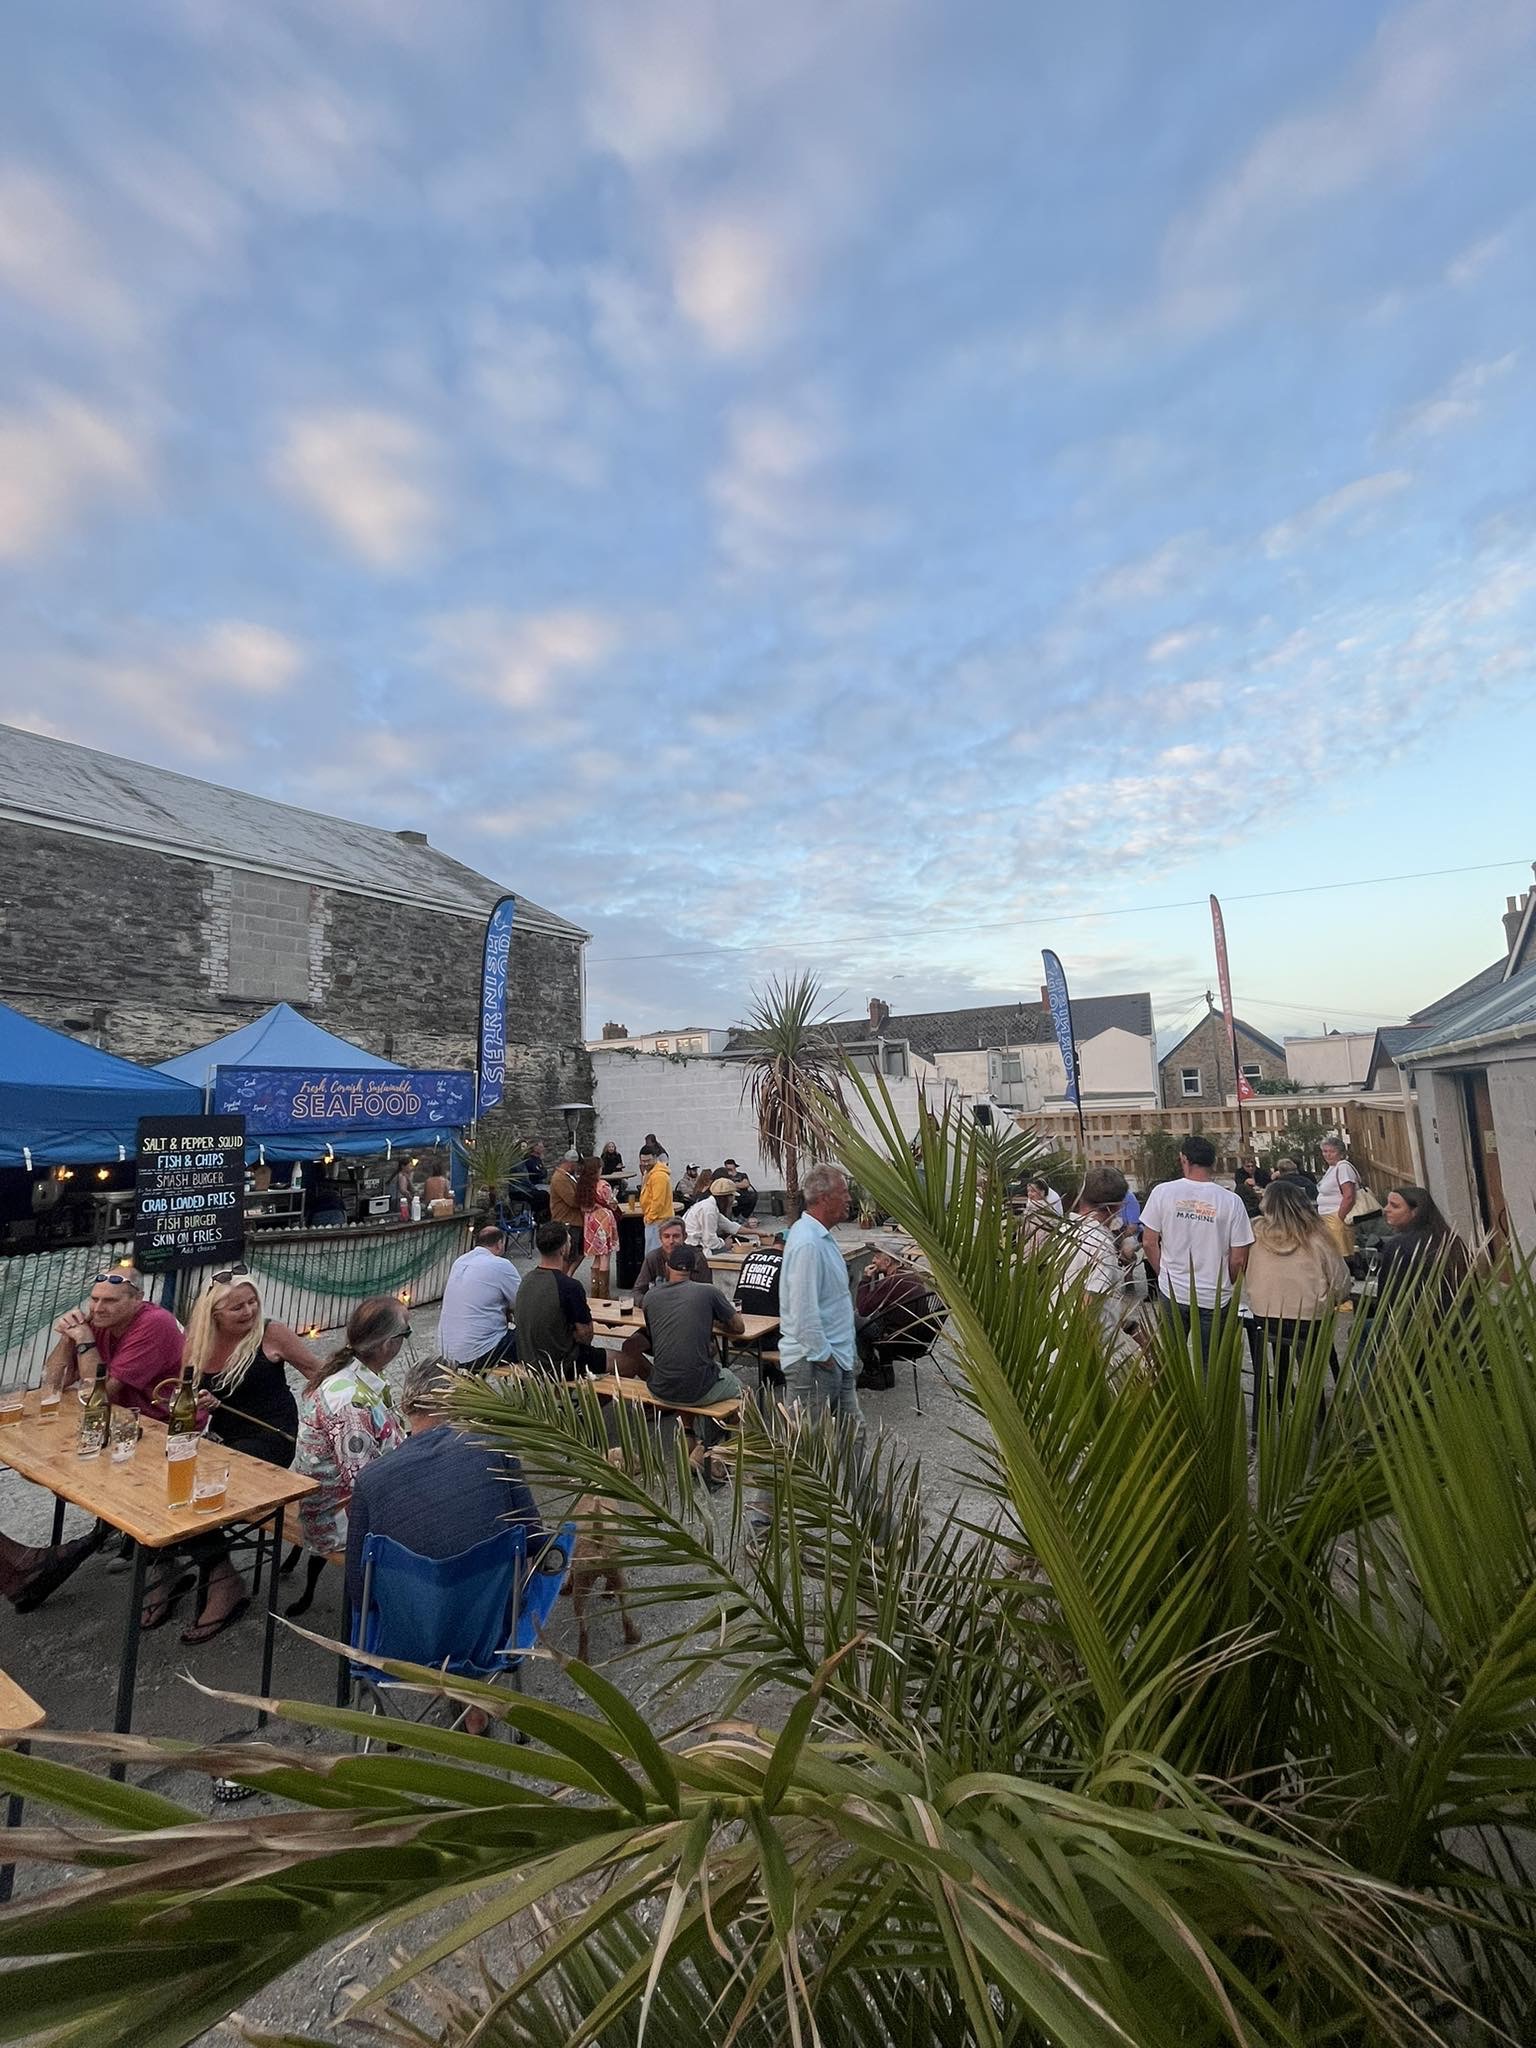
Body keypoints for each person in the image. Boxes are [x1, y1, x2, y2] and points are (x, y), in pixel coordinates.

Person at [159, 1270, 326, 1644]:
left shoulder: (271, 1333)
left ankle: (223, 1583)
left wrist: (321, 1426)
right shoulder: (197, 1342)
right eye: (237, 1307)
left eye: (252, 1302)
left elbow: (318, 1375)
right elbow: (184, 1398)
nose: (249, 1311)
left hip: (273, 1437)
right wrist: (196, 1402)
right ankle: (171, 1568)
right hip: (223, 1439)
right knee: (165, 1482)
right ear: (214, 1312)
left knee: (197, 1490)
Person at [344, 1356, 544, 1618]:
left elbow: (359, 1591)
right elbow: (534, 1538)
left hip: (412, 1629)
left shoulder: (371, 1479)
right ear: (461, 1401)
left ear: (405, 1407)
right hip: (495, 1622)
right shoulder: (495, 1446)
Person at [288, 1297, 410, 1609]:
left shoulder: (359, 1374)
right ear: (387, 1344)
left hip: (348, 1500)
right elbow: (364, 1484)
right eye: (405, 1334)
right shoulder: (350, 1402)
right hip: (336, 1518)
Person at [1243, 1179, 1351, 1439]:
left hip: (1266, 1316)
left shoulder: (1254, 1234)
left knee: (1280, 1354)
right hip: (1309, 1319)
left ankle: (1279, 1407)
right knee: (1310, 1353)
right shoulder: (1317, 1236)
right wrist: (1332, 1300)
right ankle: (1316, 1416)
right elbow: (1341, 1282)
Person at [778, 1162, 863, 1454]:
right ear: (824, 1198)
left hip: (836, 1357)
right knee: (803, 1447)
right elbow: (803, 1309)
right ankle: (770, 1494)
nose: (849, 1198)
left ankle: (859, 1487)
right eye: (843, 1192)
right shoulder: (808, 1243)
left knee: (853, 1436)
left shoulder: (818, 1237)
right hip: (815, 1363)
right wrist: (823, 1356)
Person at [1140, 1135, 1254, 1349]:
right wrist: (1227, 1282)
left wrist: (1163, 1272)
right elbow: (1239, 1258)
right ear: (1213, 1162)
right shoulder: (1231, 1201)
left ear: (1184, 1159)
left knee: (1173, 1358)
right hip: (1215, 1293)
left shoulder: (1162, 1192)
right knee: (1211, 1361)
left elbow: (1148, 1241)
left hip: (1173, 1289)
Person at [642, 1248, 746, 1460]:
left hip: (659, 1386)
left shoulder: (650, 1297)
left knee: (688, 1368)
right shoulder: (708, 1292)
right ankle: (710, 1448)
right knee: (744, 1394)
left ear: (667, 1267)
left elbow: (655, 1335)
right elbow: (739, 1327)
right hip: (694, 1387)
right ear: (693, 1270)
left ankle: (689, 1434)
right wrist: (714, 1320)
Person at [44, 1267, 184, 1419]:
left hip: (166, 1423)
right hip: (121, 1416)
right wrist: (68, 1336)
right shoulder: (100, 1320)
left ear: (138, 1299)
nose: (98, 1309)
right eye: (94, 1299)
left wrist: (85, 1340)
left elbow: (97, 1396)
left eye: (110, 1301)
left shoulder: (155, 1323)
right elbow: (52, 1384)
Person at [514, 1221, 602, 1379]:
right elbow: (586, 1335)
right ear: (563, 1249)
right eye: (569, 1241)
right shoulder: (570, 1286)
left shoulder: (526, 1279)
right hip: (562, 1365)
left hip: (529, 1361)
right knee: (629, 1361)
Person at [1056, 1167, 1131, 1346]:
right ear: (1117, 1207)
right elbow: (1087, 1303)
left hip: (1057, 1338)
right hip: (1085, 1347)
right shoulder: (1100, 1244)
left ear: (1081, 1197)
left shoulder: (1064, 1230)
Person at [1372, 1185, 1470, 1318]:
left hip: (1416, 1322)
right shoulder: (1452, 1240)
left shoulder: (1397, 1246)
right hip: (1461, 1318)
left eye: (1394, 1206)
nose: (1386, 1209)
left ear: (1415, 1212)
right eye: (1387, 1204)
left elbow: (1388, 1299)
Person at [438, 1224, 521, 1371]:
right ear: (499, 1244)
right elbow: (521, 1302)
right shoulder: (500, 1265)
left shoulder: (459, 1262)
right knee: (530, 1339)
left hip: (447, 1351)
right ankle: (531, 1384)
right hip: (479, 1353)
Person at [854, 1250, 929, 1389]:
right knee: (879, 1318)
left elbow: (863, 1309)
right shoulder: (911, 1275)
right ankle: (886, 1372)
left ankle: (872, 1372)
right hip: (919, 1340)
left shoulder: (892, 1281)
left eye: (877, 1257)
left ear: (887, 1262)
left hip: (897, 1342)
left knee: (854, 1320)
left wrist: (866, 1278)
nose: (873, 1261)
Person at [632, 1217, 708, 1302]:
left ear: (684, 1237)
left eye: (676, 1236)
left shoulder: (697, 1258)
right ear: (660, 1238)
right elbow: (637, 1291)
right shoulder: (653, 1257)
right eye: (666, 1236)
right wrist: (650, 1304)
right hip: (659, 1305)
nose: (671, 1241)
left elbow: (706, 1292)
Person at [576, 1155, 619, 1298]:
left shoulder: (582, 1185)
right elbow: (611, 1203)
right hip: (603, 1219)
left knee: (596, 1257)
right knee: (605, 1256)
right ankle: (604, 1294)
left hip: (590, 1221)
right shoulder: (603, 1185)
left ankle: (595, 1292)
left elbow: (582, 1207)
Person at [1316, 1136, 1360, 1258]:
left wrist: (1340, 1217)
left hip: (1336, 1217)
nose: (1328, 1155)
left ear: (1340, 1153)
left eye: (1332, 1151)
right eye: (1325, 1151)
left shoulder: (1343, 1167)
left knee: (1341, 1255)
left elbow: (1349, 1195)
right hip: (1327, 1217)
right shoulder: (1332, 1168)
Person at [684, 1178, 751, 1256]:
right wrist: (724, 1244)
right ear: (727, 1198)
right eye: (733, 1196)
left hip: (698, 1244)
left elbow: (729, 1226)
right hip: (694, 1248)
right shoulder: (709, 1209)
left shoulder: (711, 1205)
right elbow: (709, 1240)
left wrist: (757, 1232)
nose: (734, 1199)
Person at [548, 1152, 585, 1267]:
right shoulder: (560, 1178)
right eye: (577, 1165)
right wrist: (588, 1200)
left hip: (574, 1220)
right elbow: (573, 1201)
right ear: (571, 1164)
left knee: (578, 1254)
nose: (578, 1168)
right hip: (567, 1221)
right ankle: (563, 1276)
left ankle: (567, 1276)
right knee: (568, 1257)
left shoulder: (567, 1176)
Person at [638, 1148, 674, 1257]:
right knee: (654, 1255)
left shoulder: (659, 1176)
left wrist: (649, 1218)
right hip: (656, 1219)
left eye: (648, 1160)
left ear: (655, 1158)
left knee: (654, 1256)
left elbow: (658, 1201)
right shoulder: (650, 1173)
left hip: (658, 1221)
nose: (645, 1163)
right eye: (643, 1161)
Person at [515, 1139, 550, 1221]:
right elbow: (531, 1176)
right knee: (544, 1195)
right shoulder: (523, 1161)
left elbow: (544, 1173)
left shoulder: (535, 1160)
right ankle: (539, 1217)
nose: (524, 1149)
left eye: (525, 1147)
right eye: (522, 1147)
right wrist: (533, 1187)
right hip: (521, 1189)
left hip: (530, 1186)